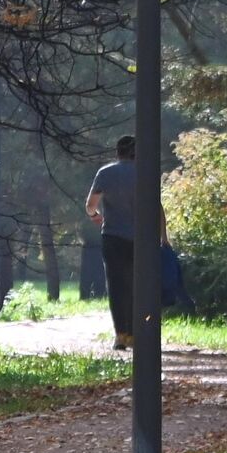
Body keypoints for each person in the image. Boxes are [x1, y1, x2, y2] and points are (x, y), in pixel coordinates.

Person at [86, 135, 138, 351]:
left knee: (117, 286)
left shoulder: (105, 173)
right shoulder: (146, 172)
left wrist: (95, 215)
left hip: (113, 237)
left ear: (117, 152)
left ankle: (121, 335)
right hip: (141, 238)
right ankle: (136, 334)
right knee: (137, 285)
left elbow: (90, 205)